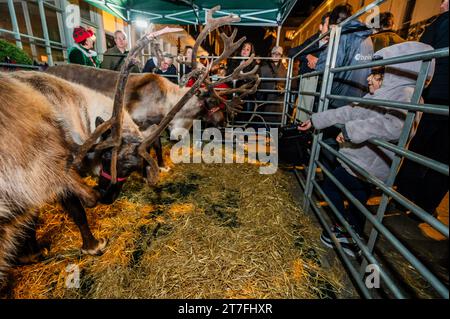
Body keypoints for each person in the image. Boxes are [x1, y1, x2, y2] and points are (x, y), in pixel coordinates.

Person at [299, 42, 435, 257]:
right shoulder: (375, 97)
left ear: (394, 77)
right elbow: (348, 112)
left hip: (370, 165)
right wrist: (316, 120)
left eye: (376, 76)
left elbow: (395, 126)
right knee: (357, 200)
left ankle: (344, 229)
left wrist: (351, 131)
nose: (368, 79)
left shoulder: (407, 96)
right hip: (359, 160)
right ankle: (353, 237)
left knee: (331, 187)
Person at [395, 0, 449, 221]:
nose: (442, 4)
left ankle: (405, 195)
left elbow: (422, 55)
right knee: (444, 156)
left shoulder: (442, 22)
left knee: (419, 147)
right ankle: (425, 206)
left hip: (436, 95)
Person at [257, 46, 287, 125]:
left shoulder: (284, 69)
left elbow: (286, 84)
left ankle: (274, 137)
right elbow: (259, 85)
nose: (276, 55)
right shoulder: (263, 68)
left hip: (279, 102)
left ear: (281, 56)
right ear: (271, 55)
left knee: (275, 126)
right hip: (266, 101)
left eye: (279, 54)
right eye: (274, 54)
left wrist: (283, 88)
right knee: (264, 125)